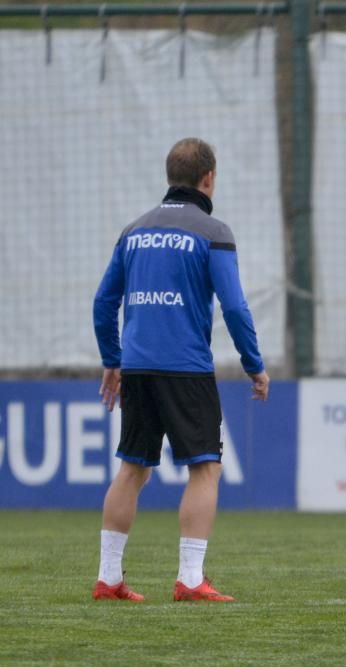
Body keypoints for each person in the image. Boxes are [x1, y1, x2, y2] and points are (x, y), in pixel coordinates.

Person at [92, 138, 269, 602]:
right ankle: (190, 578)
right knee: (205, 468)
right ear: (207, 178)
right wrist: (255, 365)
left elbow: (103, 301)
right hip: (186, 368)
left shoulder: (134, 230)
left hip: (138, 367)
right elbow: (233, 305)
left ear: (171, 176)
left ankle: (109, 578)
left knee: (132, 468)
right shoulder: (212, 231)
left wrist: (113, 359)